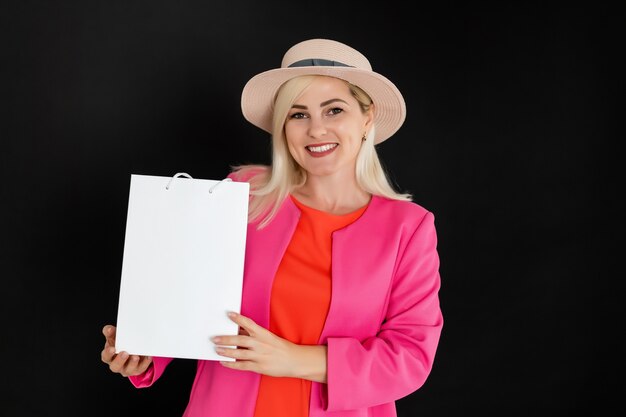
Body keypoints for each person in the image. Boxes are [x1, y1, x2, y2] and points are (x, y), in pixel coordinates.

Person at [101, 38, 444, 417]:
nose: (316, 130)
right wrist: (144, 351)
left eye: (334, 110)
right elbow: (191, 297)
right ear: (282, 127)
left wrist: (294, 359)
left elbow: (411, 357)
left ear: (367, 119)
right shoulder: (243, 195)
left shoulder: (408, 228)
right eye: (298, 115)